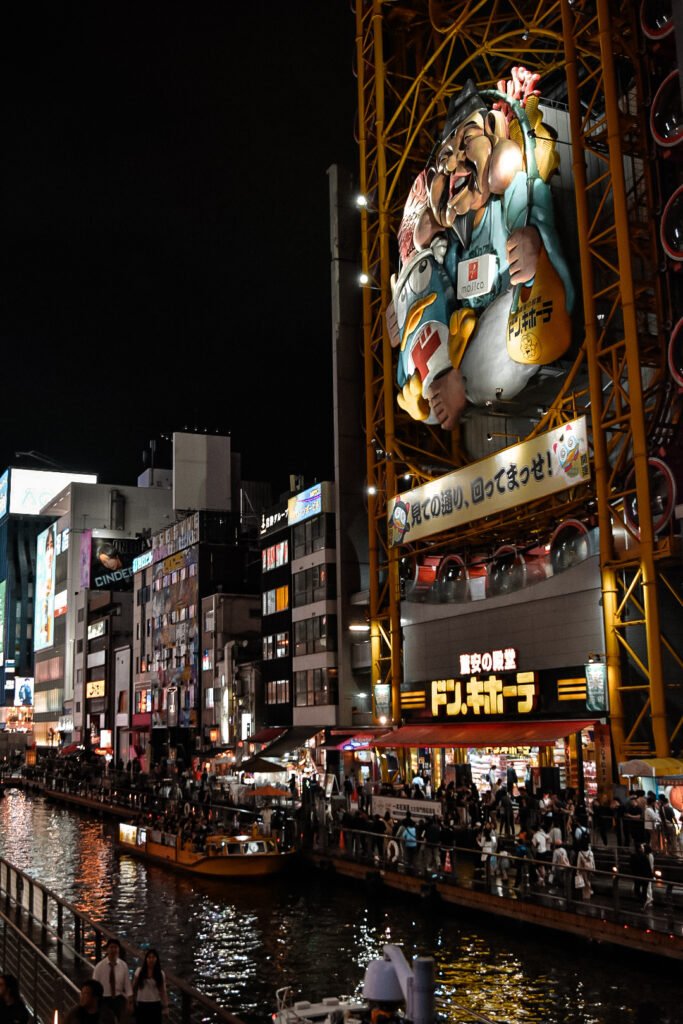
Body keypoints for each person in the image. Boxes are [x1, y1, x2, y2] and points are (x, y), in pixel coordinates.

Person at [92, 938, 133, 1021]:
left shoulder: (123, 965)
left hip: (118, 997)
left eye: (115, 947)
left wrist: (130, 1000)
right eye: (111, 947)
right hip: (104, 998)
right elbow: (94, 985)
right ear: (107, 950)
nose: (113, 950)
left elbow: (127, 984)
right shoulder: (100, 967)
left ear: (119, 950)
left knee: (122, 1019)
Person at [133, 949, 169, 1024]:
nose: (151, 959)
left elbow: (163, 991)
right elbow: (134, 986)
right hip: (142, 1004)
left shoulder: (160, 973)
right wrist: (131, 1001)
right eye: (149, 957)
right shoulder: (139, 971)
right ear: (146, 959)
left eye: (153, 957)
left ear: (156, 959)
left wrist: (166, 1006)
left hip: (155, 1004)